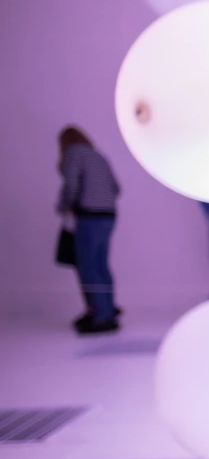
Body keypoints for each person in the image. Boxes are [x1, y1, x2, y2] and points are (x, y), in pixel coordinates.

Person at [56, 127, 121, 335]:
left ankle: (101, 316)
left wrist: (63, 206)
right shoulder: (98, 155)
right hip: (108, 215)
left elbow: (71, 185)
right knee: (101, 264)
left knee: (88, 267)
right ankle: (107, 308)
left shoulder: (73, 154)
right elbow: (116, 188)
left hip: (89, 215)